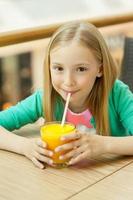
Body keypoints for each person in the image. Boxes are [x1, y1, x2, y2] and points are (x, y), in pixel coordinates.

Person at [0, 21, 133, 169]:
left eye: (81, 69)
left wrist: (104, 144)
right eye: (59, 68)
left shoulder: (117, 95)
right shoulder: (45, 98)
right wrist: (24, 146)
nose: (68, 82)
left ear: (100, 69)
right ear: (49, 67)